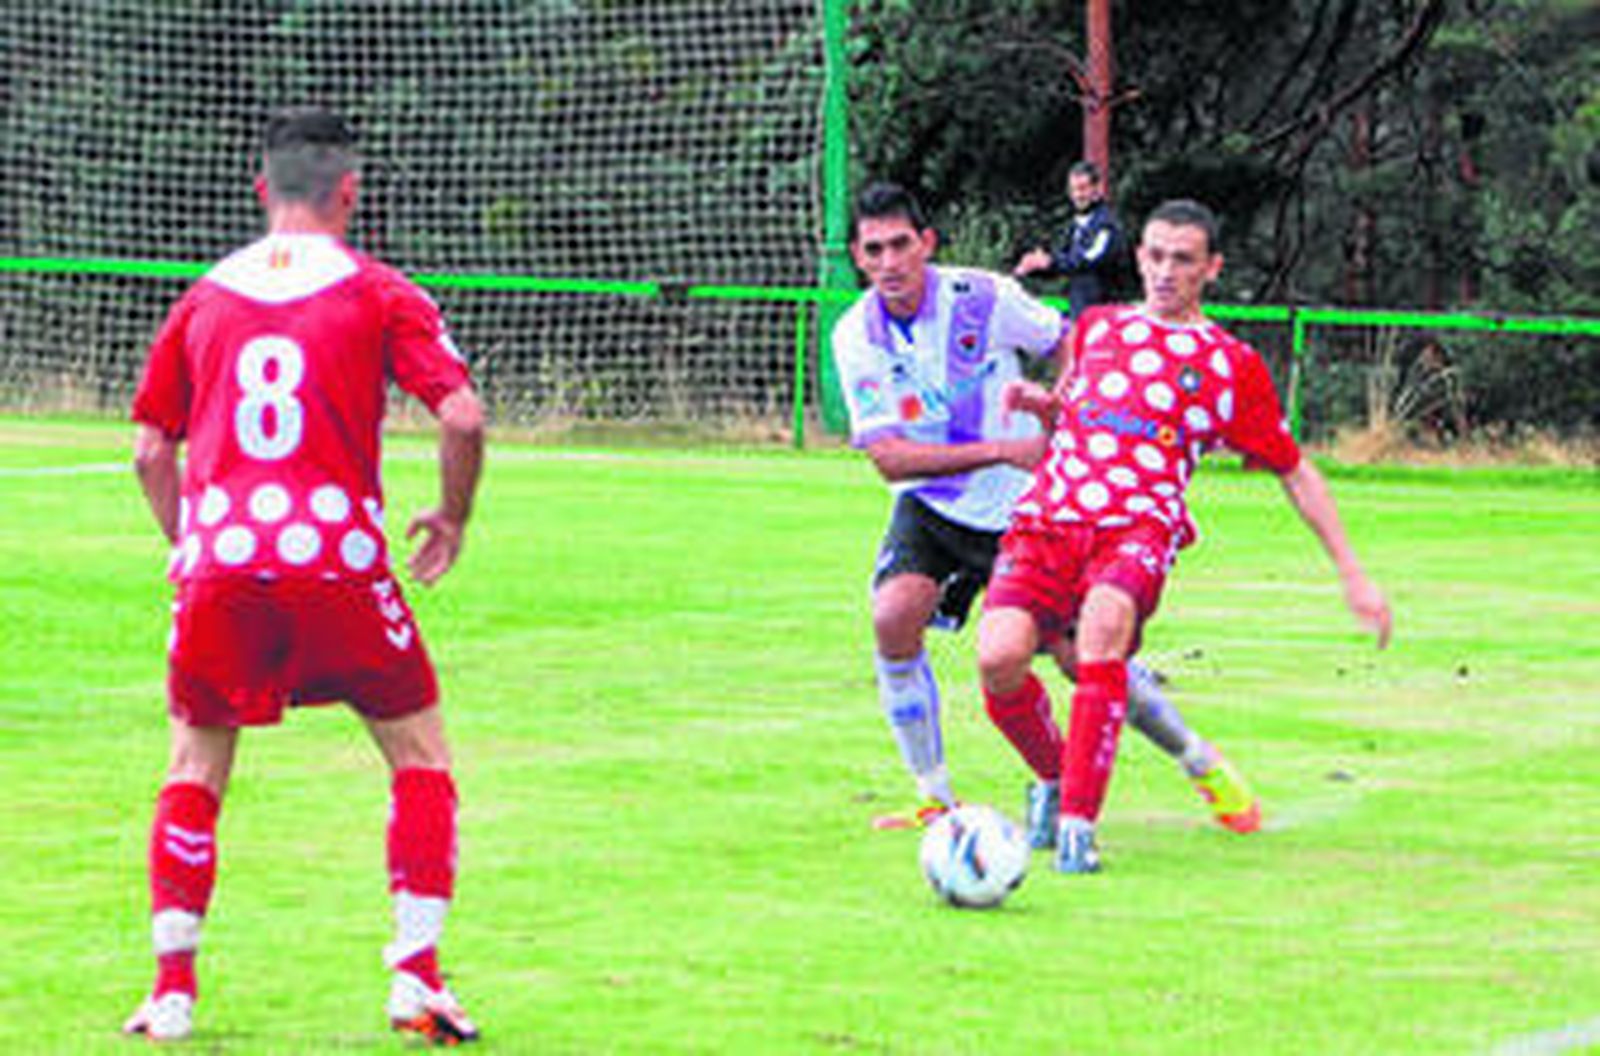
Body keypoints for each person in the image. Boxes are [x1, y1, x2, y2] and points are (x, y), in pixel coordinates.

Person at [123, 107, 486, 1044]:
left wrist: (187, 543)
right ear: (349, 193)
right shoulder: (377, 291)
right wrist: (451, 516)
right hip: (338, 560)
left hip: (224, 564)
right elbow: (462, 418)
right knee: (420, 757)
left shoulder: (203, 296)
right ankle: (416, 978)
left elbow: (148, 449)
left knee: (195, 766)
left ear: (262, 190)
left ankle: (171, 995)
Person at [833, 181, 1262, 837]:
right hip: (934, 507)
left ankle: (1199, 761)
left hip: (1030, 512)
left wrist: (1068, 408)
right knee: (893, 617)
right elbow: (890, 458)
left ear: (927, 244)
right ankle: (938, 797)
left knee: (1082, 659)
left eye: (900, 245)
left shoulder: (982, 297)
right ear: (859, 259)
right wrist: (1005, 447)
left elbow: (1071, 341)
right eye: (874, 250)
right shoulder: (855, 335)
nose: (889, 262)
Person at [979, 198, 1393, 875]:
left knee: (1101, 635)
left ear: (1211, 269)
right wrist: (1042, 407)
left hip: (1138, 527)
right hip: (1049, 520)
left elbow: (1294, 470)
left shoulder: (1230, 365)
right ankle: (1064, 780)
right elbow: (1077, 419)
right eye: (1156, 256)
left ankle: (1080, 829)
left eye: (1183, 260)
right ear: (1138, 257)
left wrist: (1352, 572)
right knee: (999, 661)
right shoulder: (1095, 328)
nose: (1166, 271)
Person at [1013, 161, 1126, 318]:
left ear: (1097, 189)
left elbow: (1087, 259)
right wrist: (1036, 266)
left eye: (1083, 188)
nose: (1078, 195)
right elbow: (1063, 262)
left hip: (1104, 315)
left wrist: (1050, 262)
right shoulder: (1074, 226)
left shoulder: (1107, 226)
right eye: (1073, 189)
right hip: (1078, 312)